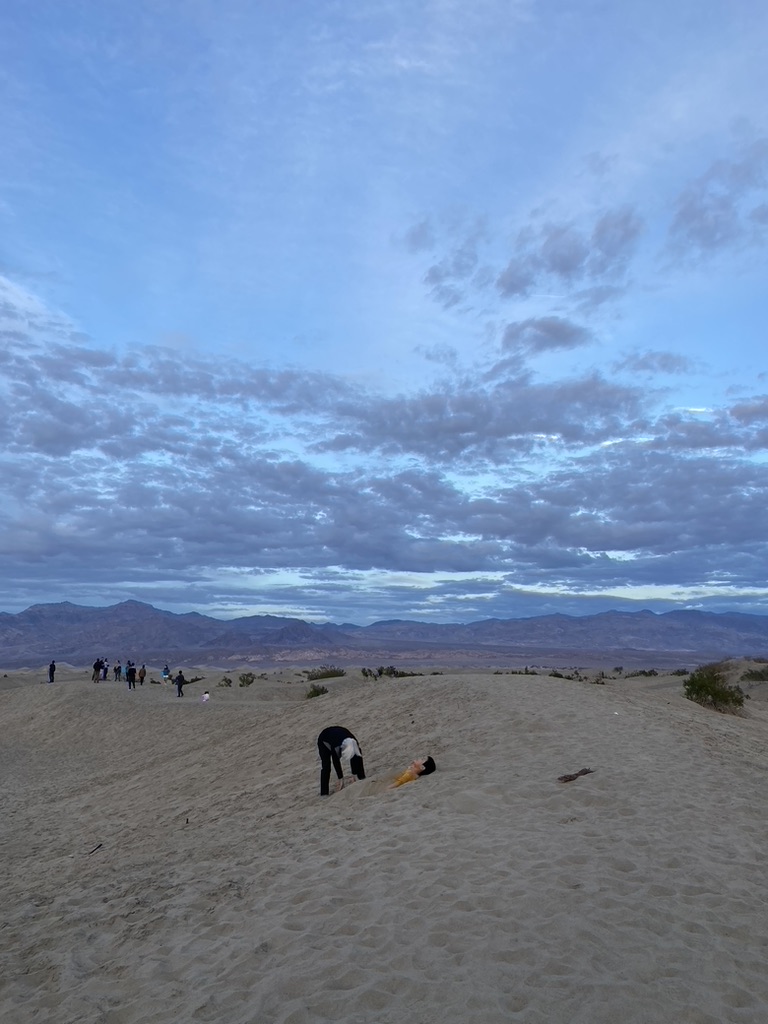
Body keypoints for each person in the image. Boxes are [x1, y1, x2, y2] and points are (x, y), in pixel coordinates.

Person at [317, 726, 365, 796]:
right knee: (326, 766)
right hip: (324, 739)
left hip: (339, 733)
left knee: (356, 756)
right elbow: (335, 761)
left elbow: (358, 757)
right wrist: (341, 778)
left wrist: (358, 776)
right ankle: (324, 793)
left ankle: (361, 777)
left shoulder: (354, 743)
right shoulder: (336, 746)